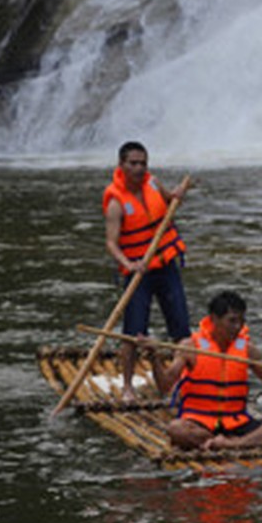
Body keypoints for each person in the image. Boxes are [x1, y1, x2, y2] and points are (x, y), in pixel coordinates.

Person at [148, 290, 262, 451]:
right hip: (199, 421)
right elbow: (164, 386)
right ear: (214, 319)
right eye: (232, 321)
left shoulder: (248, 350)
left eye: (241, 321)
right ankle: (223, 441)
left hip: (237, 421)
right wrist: (154, 358)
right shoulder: (190, 347)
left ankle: (231, 444)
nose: (237, 327)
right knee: (176, 429)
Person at [104, 141, 191, 401]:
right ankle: (128, 386)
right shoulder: (115, 201)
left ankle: (184, 382)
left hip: (165, 266)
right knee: (133, 332)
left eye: (143, 163)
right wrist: (129, 264)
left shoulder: (152, 183)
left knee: (181, 329)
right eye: (133, 163)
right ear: (121, 165)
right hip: (138, 273)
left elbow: (169, 200)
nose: (139, 168)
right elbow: (111, 242)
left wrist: (176, 195)